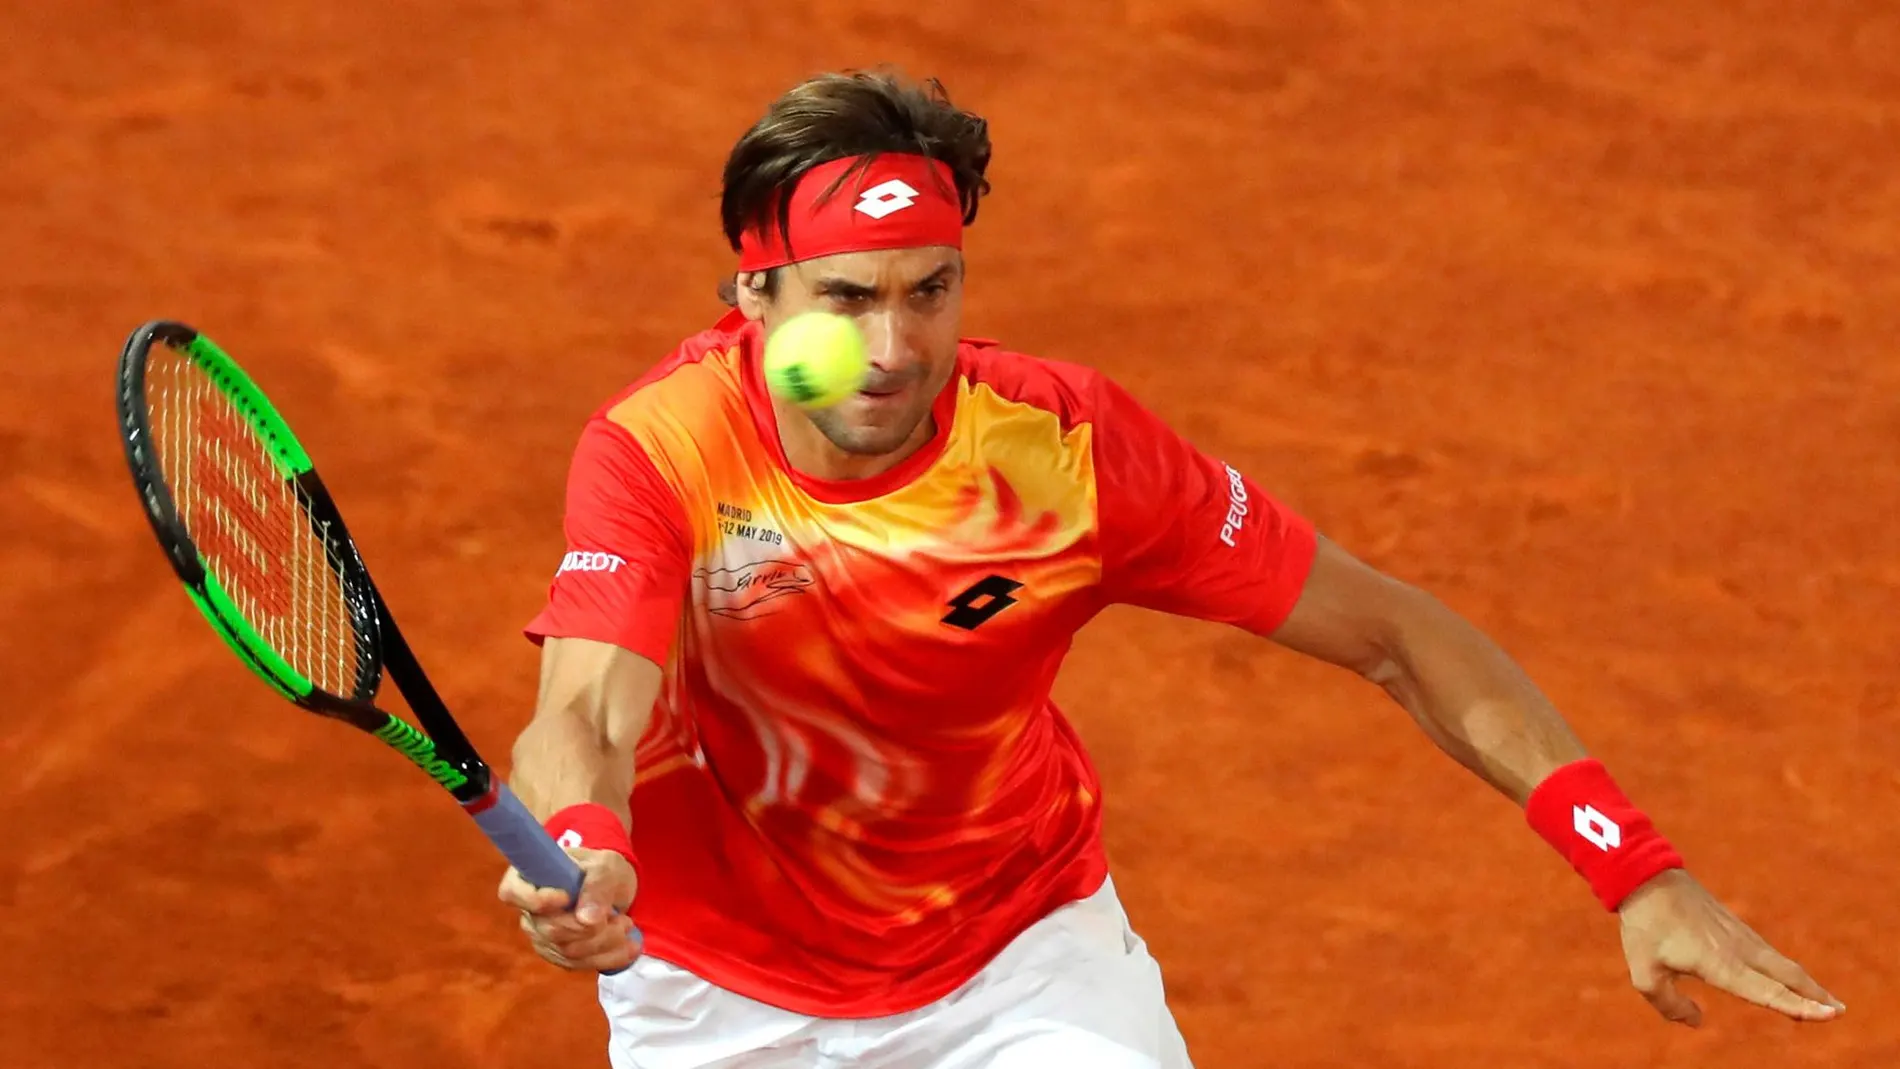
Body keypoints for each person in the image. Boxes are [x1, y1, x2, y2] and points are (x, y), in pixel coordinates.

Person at [495, 69, 1842, 1068]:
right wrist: (584, 842)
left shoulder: (1067, 449)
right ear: (756, 301)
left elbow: (1394, 633)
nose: (898, 344)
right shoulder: (663, 449)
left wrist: (1632, 863)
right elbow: (590, 710)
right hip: (723, 996)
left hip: (1020, 963)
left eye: (932, 288)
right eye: (849, 300)